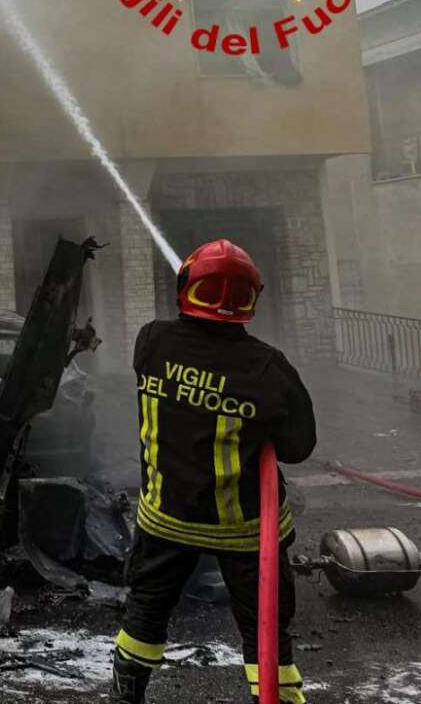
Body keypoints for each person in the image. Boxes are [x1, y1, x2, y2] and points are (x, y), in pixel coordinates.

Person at [109, 239, 316, 704]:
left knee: (145, 613)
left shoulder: (152, 342)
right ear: (250, 300)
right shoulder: (267, 368)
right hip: (245, 530)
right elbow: (298, 447)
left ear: (187, 288)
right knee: (266, 632)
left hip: (166, 517)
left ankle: (126, 694)